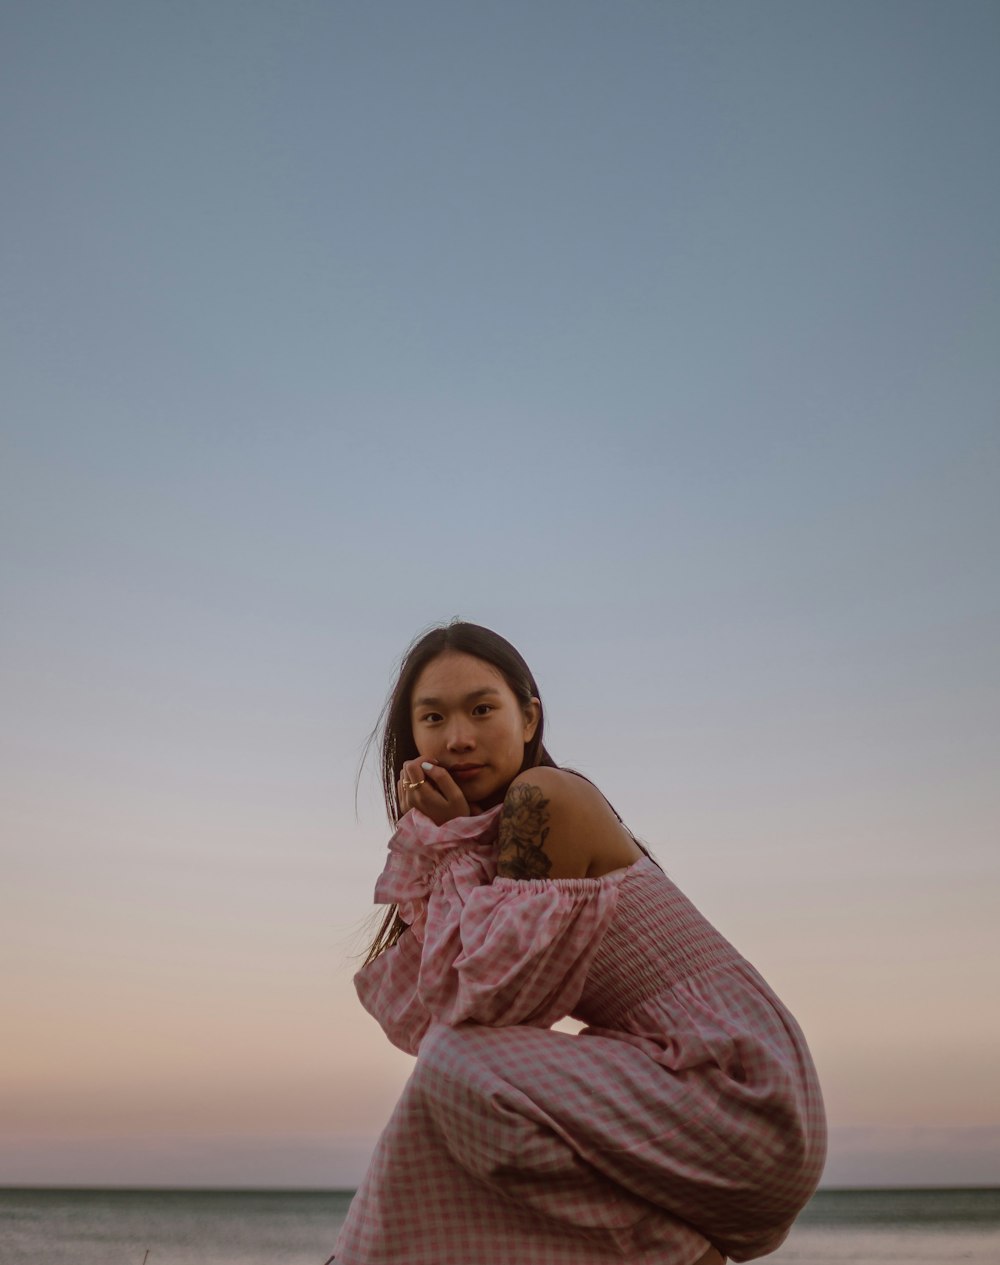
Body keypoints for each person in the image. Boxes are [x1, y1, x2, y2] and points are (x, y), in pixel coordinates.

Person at [333, 621, 826, 1264]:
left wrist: (448, 848)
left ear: (530, 717)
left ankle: (673, 1253)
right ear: (412, 736)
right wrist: (453, 849)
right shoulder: (493, 846)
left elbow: (485, 1008)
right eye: (433, 719)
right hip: (694, 1098)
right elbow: (428, 1016)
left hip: (740, 1094)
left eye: (482, 709)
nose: (458, 739)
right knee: (447, 1103)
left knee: (457, 1067)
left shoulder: (546, 799)